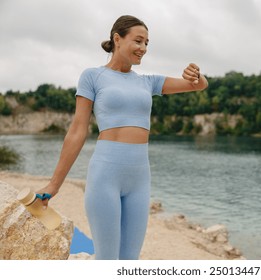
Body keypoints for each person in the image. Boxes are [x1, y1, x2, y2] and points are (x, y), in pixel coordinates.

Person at [37, 15, 208, 260]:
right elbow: (77, 131)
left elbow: (198, 86)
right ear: (117, 39)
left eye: (147, 43)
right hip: (106, 174)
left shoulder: (148, 82)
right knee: (107, 260)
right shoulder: (92, 77)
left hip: (140, 177)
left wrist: (196, 75)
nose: (144, 49)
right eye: (138, 41)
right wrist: (54, 184)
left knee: (130, 262)